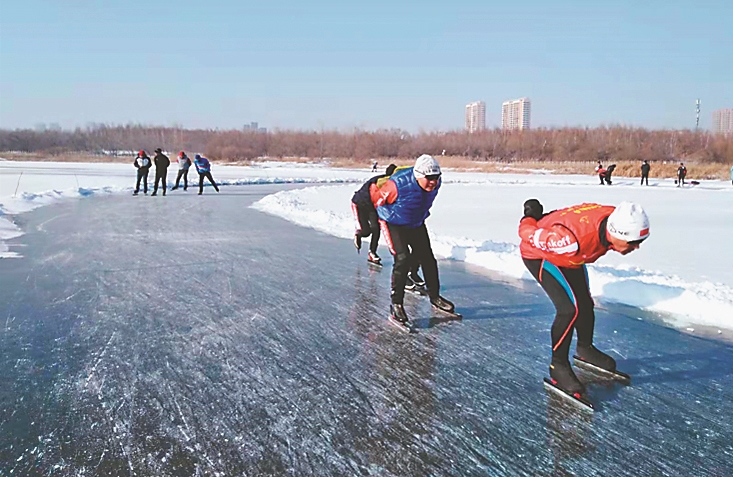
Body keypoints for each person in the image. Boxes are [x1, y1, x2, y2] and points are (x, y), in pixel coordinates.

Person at [518, 200, 650, 395]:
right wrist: (531, 215)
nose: (636, 247)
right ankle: (558, 366)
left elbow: (572, 213)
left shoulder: (615, 217)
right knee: (569, 310)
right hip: (541, 256)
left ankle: (585, 349)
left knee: (585, 304)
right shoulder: (569, 241)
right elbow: (527, 233)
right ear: (616, 233)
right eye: (633, 242)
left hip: (572, 258)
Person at [371, 154, 455, 327]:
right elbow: (377, 201)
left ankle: (435, 297)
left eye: (436, 177)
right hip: (392, 222)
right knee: (402, 259)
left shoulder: (436, 184)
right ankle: (396, 304)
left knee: (428, 259)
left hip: (415, 222)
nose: (433, 182)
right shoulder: (396, 185)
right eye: (429, 178)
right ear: (418, 176)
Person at [352, 164, 397, 265]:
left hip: (372, 206)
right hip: (360, 204)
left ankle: (372, 253)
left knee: (376, 229)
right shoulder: (379, 182)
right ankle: (359, 234)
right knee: (366, 231)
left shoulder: (390, 184)